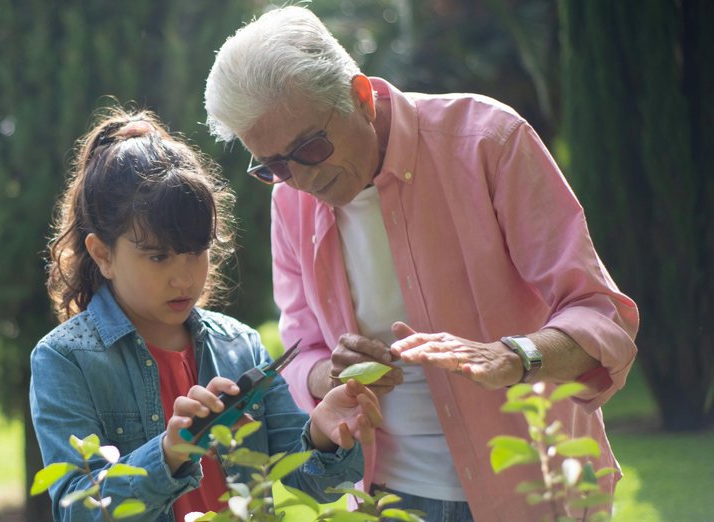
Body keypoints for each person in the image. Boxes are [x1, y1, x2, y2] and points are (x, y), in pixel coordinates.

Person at [203, 7, 639, 522]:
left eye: (309, 148)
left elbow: (599, 315)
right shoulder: (290, 203)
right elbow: (300, 352)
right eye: (273, 166)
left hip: (533, 489)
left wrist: (514, 356)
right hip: (382, 498)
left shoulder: (488, 141)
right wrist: (328, 372)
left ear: (360, 97)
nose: (299, 179)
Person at [31, 109, 383, 522]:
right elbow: (80, 510)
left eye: (196, 252)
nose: (183, 278)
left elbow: (307, 482)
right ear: (103, 254)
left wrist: (324, 435)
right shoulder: (65, 359)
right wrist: (168, 454)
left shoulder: (239, 345)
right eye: (158, 256)